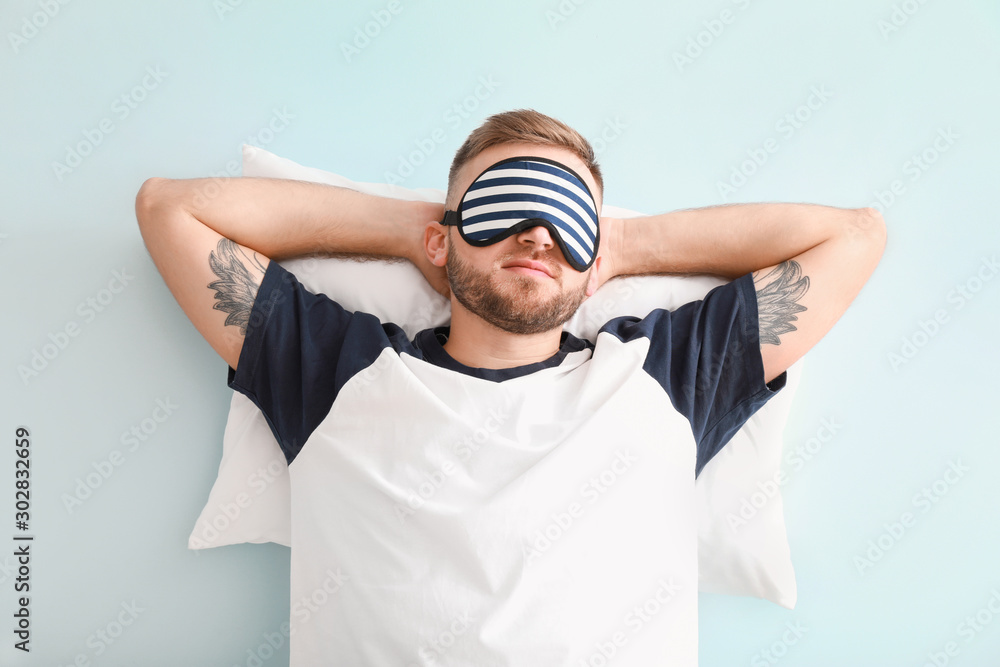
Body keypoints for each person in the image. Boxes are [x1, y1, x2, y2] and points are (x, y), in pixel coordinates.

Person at [135, 109, 885, 666]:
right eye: (505, 205)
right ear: (446, 234)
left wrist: (621, 246)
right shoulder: (338, 372)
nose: (537, 235)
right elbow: (169, 209)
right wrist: (412, 229)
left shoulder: (666, 378)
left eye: (568, 218)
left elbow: (854, 237)